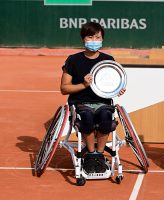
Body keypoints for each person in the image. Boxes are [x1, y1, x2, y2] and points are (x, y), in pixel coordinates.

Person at [60, 22, 126, 174]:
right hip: (80, 103)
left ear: (102, 39)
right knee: (87, 117)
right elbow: (64, 88)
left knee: (106, 116)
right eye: (90, 37)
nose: (94, 40)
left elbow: (113, 84)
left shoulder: (108, 60)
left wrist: (118, 89)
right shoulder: (73, 60)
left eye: (98, 37)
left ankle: (99, 155)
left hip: (102, 103)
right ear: (83, 39)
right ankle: (90, 154)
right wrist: (84, 84)